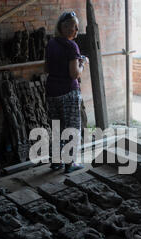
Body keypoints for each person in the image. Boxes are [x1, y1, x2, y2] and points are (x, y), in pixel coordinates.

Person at [45, 11, 89, 173]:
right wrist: (83, 63)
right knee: (71, 128)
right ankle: (70, 163)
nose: (77, 31)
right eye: (74, 27)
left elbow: (46, 68)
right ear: (63, 27)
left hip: (52, 91)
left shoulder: (51, 43)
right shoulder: (71, 46)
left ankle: (56, 162)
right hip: (68, 93)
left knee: (57, 127)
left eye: (77, 27)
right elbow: (74, 74)